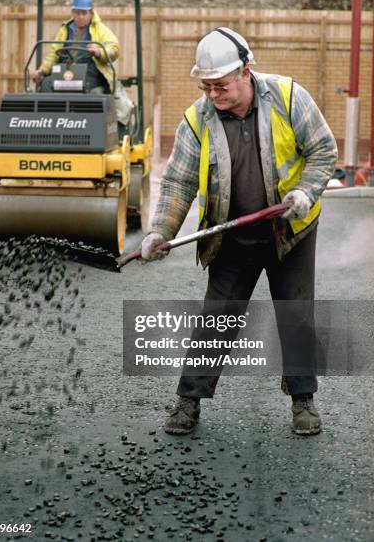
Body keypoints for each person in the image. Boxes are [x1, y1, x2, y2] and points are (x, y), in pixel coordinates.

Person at [141, 27, 338, 436]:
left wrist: (305, 191)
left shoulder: (287, 97)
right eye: (206, 87)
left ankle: (303, 401)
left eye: (220, 86)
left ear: (246, 72)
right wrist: (160, 231)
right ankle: (188, 402)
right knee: (216, 316)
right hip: (232, 236)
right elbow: (177, 182)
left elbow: (323, 149)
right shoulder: (197, 120)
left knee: (296, 312)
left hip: (291, 230)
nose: (212, 95)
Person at [33, 0, 119, 94]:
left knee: (85, 87)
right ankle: (54, 110)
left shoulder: (101, 30)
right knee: (46, 84)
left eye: (84, 13)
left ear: (91, 13)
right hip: (67, 71)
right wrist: (43, 70)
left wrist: (99, 51)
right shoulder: (65, 30)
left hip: (90, 73)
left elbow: (113, 49)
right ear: (73, 13)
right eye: (78, 13)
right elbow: (53, 54)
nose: (81, 17)